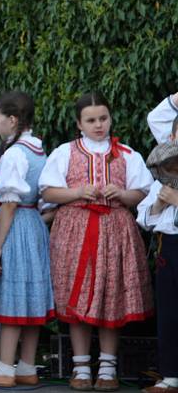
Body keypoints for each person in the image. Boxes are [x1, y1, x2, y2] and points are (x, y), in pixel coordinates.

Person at [40, 92, 154, 391]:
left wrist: (123, 194)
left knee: (110, 294)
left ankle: (107, 366)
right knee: (76, 294)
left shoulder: (128, 154)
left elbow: (142, 193)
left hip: (116, 229)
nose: (98, 125)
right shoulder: (64, 152)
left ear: (110, 118)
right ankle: (80, 366)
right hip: (75, 230)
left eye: (103, 118)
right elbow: (49, 192)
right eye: (91, 120)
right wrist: (78, 193)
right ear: (79, 123)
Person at [0, 91, 55, 387]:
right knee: (30, 298)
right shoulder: (39, 149)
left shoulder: (15, 153)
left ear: (13, 120)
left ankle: (5, 368)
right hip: (33, 225)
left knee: (12, 298)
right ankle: (26, 366)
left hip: (15, 225)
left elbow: (9, 203)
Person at [137, 116, 178, 393]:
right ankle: (170, 375)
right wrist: (160, 204)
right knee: (169, 313)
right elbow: (144, 219)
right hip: (169, 249)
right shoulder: (162, 178)